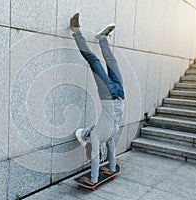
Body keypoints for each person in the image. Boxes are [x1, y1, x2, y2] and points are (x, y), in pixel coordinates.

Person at [70, 13, 125, 185]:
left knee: (94, 62)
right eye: (86, 132)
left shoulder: (96, 135)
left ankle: (76, 31)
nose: (88, 130)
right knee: (111, 61)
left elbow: (95, 158)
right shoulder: (108, 134)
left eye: (86, 132)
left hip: (108, 94)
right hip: (121, 93)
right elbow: (111, 149)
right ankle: (102, 38)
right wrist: (111, 168)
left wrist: (93, 178)